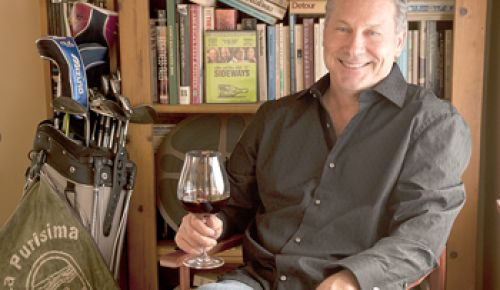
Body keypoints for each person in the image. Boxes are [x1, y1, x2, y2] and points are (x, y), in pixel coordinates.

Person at [175, 0, 471, 289]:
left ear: (398, 42)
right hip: (258, 282)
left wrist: (349, 280)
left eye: (372, 32)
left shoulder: (434, 124)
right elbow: (233, 205)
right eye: (342, 29)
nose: (354, 47)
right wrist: (207, 228)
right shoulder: (274, 117)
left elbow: (420, 237)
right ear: (324, 35)